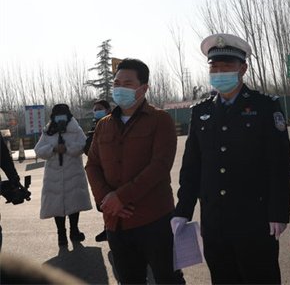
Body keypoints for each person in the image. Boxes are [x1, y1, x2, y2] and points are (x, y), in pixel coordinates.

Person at [172, 33, 290, 284]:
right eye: (214, 67)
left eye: (226, 66)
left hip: (255, 219)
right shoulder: (201, 111)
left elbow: (279, 164)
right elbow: (192, 166)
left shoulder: (264, 106)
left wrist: (279, 211)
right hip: (215, 222)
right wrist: (183, 210)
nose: (219, 72)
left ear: (243, 68)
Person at [85, 58, 184, 284]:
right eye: (117, 83)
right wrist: (106, 199)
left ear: (144, 88)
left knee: (168, 279)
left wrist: (121, 197)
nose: (120, 88)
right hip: (116, 224)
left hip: (155, 220)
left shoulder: (160, 120)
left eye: (128, 83)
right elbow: (92, 165)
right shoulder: (104, 125)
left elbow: (160, 166)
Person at [34, 104, 92, 247]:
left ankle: (74, 230)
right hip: (54, 175)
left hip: (73, 172)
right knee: (56, 205)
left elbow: (83, 146)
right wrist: (53, 148)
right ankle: (61, 234)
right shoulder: (48, 130)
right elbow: (38, 150)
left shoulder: (75, 129)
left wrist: (67, 148)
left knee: (74, 202)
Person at [83, 99, 112, 243]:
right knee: (103, 202)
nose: (96, 111)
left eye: (99, 109)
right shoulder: (95, 126)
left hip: (111, 169)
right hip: (98, 169)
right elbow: (88, 148)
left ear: (108, 110)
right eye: (95, 109)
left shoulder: (112, 124)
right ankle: (108, 228)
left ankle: (111, 230)